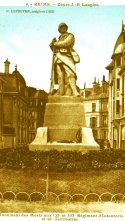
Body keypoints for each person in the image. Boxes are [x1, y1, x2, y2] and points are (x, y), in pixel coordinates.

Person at [49, 23, 80, 96]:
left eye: (64, 27)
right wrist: (52, 44)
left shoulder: (70, 36)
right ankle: (61, 92)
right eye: (61, 27)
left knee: (71, 73)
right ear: (59, 30)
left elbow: (66, 43)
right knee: (60, 75)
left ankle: (74, 91)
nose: (63, 28)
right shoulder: (58, 38)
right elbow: (54, 50)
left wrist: (55, 44)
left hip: (67, 56)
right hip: (58, 58)